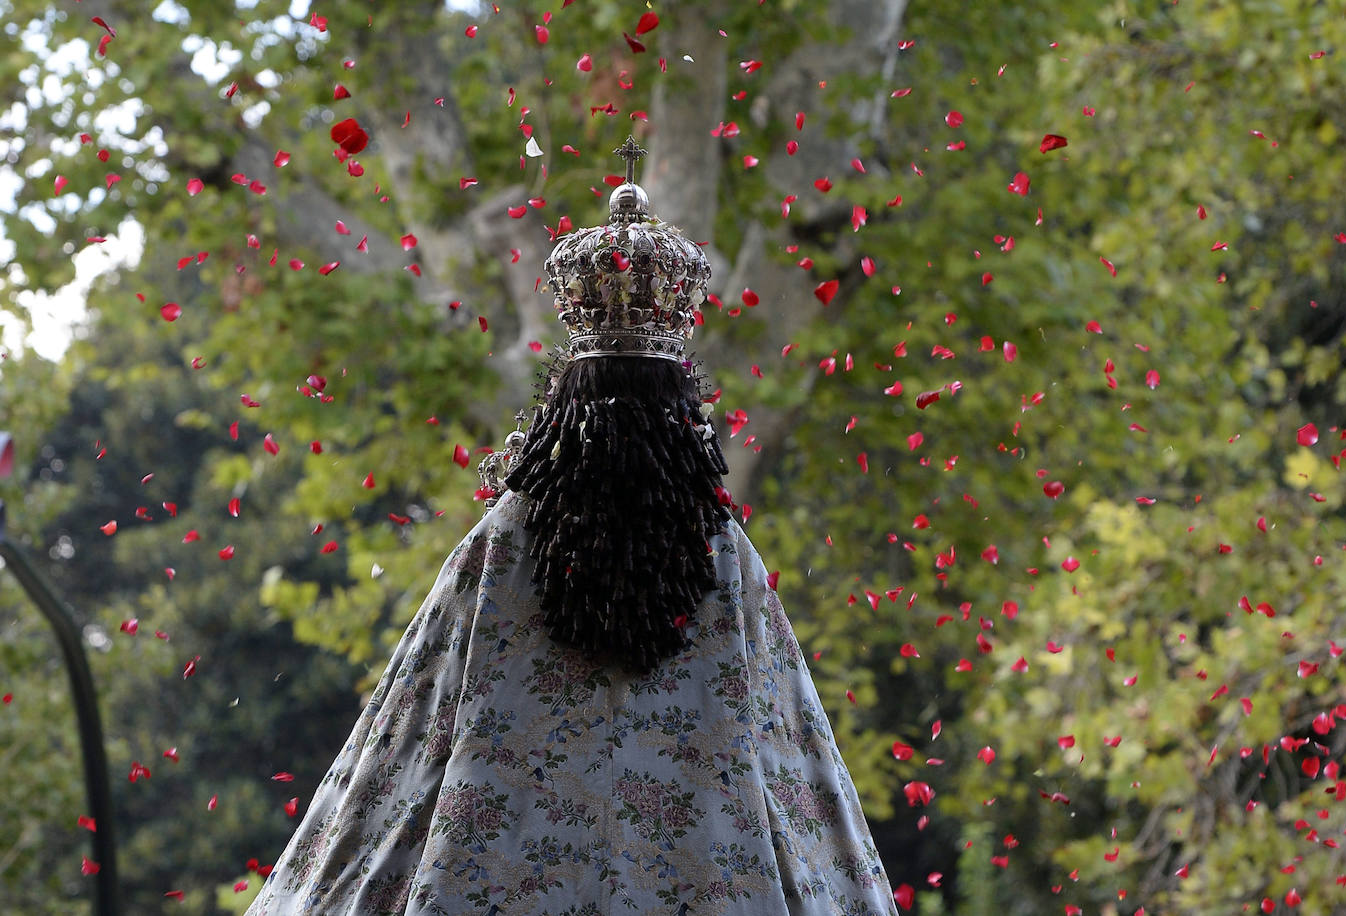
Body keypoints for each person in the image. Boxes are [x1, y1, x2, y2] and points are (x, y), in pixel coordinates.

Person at [245, 138, 897, 916]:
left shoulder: (507, 538)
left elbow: (418, 727)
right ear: (681, 402)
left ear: (568, 395)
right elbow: (787, 752)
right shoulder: (720, 549)